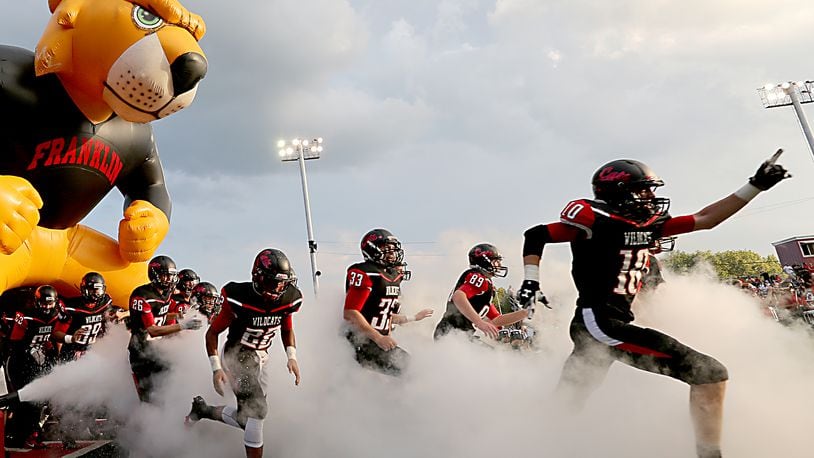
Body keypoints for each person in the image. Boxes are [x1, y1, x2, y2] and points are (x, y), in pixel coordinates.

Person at [518, 151, 790, 458]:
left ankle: (527, 441)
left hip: (603, 325)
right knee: (710, 373)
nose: (650, 196)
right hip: (601, 324)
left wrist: (755, 185)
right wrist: (531, 280)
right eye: (643, 189)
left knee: (566, 403)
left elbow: (706, 219)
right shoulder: (594, 220)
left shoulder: (648, 225)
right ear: (617, 191)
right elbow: (536, 234)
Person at [185, 248, 302, 458]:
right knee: (258, 410)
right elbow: (212, 334)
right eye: (272, 281)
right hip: (237, 355)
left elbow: (286, 327)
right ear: (258, 277)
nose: (277, 288)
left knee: (246, 418)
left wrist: (291, 356)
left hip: (261, 357)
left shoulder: (288, 299)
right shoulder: (239, 297)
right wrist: (216, 368)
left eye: (282, 283)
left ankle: (202, 410)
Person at [343, 229, 432, 376]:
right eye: (386, 248)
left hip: (375, 342)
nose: (391, 252)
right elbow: (350, 313)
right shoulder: (366, 272)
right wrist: (378, 337)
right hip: (361, 343)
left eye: (393, 248)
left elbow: (383, 314)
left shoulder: (391, 276)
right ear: (372, 249)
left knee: (416, 370)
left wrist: (413, 318)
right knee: (413, 373)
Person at [128, 255, 202, 403]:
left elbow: (160, 316)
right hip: (141, 351)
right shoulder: (141, 296)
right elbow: (152, 330)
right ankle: (141, 422)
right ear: (155, 275)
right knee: (149, 397)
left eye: (172, 276)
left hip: (158, 349)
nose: (170, 280)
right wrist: (182, 326)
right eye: (166, 276)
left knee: (170, 385)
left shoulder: (166, 293)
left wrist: (179, 316)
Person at [3, 286, 64, 448]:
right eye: (43, 304)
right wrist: (32, 350)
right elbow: (15, 343)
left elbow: (56, 335)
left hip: (39, 362)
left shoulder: (57, 314)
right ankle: (18, 435)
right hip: (20, 362)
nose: (47, 307)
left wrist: (50, 353)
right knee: (26, 400)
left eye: (50, 304)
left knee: (37, 399)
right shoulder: (25, 316)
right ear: (36, 303)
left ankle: (29, 433)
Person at [434, 243, 532, 341]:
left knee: (492, 354)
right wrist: (479, 322)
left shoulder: (485, 287)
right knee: (491, 355)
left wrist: (525, 313)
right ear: (485, 261)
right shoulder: (479, 278)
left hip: (455, 334)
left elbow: (496, 319)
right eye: (496, 261)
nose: (499, 265)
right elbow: (458, 296)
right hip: (451, 334)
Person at [53, 272, 113, 363]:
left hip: (92, 351)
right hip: (72, 352)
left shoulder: (105, 302)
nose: (96, 295)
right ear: (84, 290)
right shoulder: (72, 307)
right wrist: (71, 338)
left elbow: (107, 319)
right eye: (93, 291)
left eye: (98, 291)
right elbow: (56, 333)